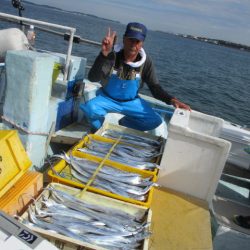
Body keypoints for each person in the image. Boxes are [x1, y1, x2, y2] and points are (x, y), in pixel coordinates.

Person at [80, 22, 190, 132]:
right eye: (131, 40)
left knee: (154, 121)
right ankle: (99, 129)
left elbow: (155, 88)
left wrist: (172, 100)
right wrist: (103, 54)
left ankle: (123, 124)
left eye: (137, 41)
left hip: (131, 102)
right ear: (124, 39)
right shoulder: (111, 56)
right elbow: (93, 78)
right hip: (107, 98)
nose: (134, 44)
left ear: (142, 43)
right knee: (90, 109)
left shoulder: (146, 62)